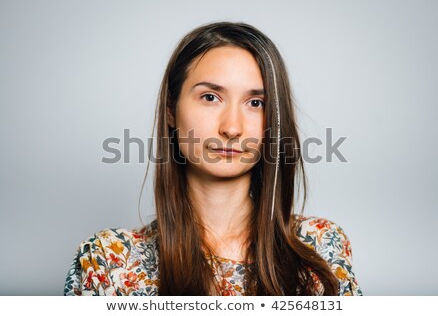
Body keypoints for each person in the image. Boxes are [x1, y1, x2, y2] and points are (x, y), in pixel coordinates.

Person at [64, 21, 362, 296]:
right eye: (210, 97)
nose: (231, 128)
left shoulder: (321, 248)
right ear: (171, 109)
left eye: (256, 103)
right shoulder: (108, 261)